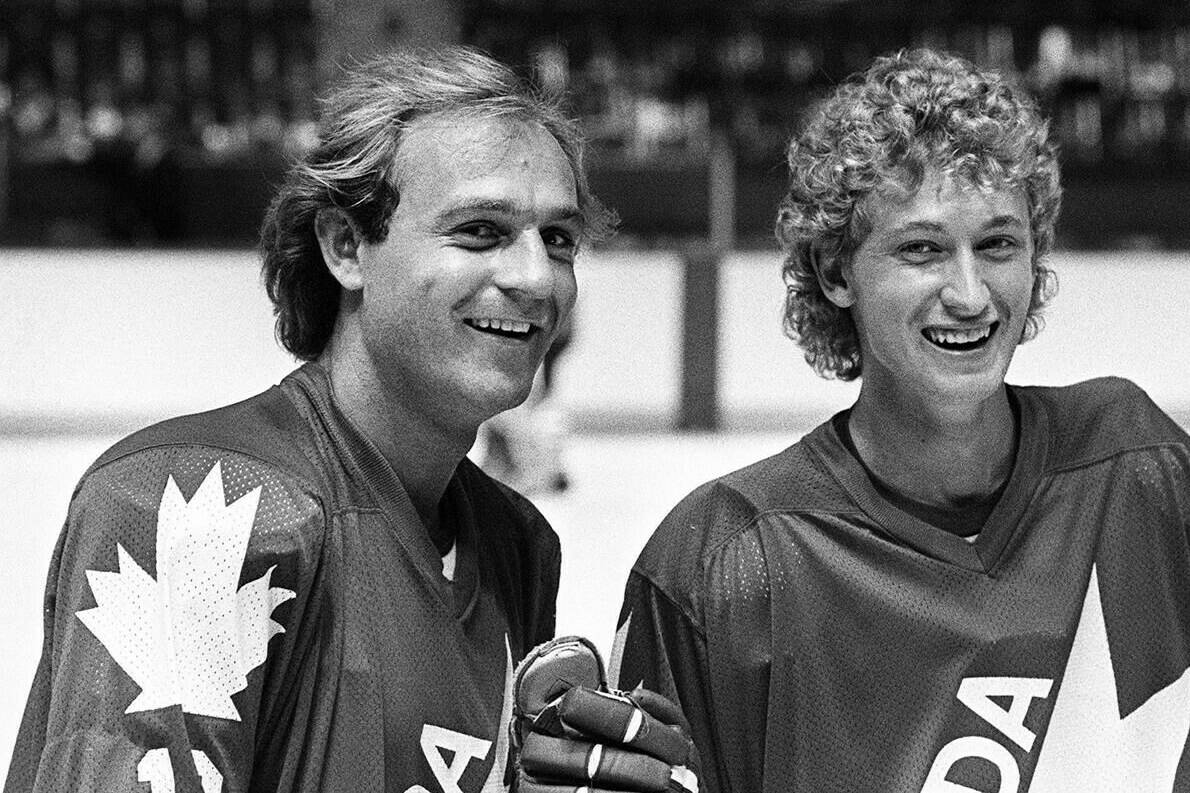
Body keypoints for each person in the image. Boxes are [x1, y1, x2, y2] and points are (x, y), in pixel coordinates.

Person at [5, 45, 622, 793]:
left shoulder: (517, 545)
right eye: (481, 230)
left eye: (559, 239)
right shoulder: (199, 514)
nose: (534, 277)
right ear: (344, 246)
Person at [612, 48, 1190, 792]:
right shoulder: (724, 564)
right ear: (835, 272)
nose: (972, 294)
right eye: (922, 249)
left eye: (998, 244)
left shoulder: (1139, 468)